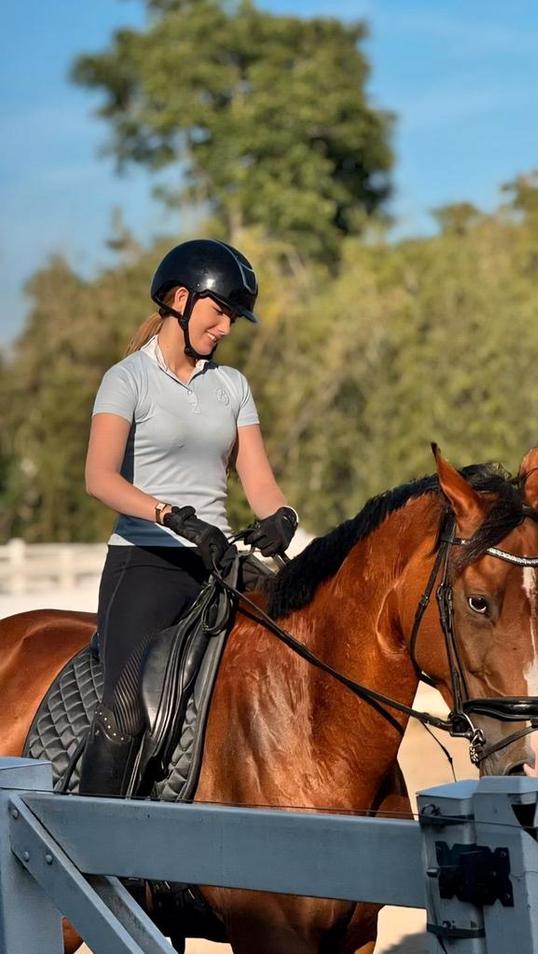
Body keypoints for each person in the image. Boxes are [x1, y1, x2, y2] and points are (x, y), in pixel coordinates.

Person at [78, 238, 298, 797]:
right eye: (221, 311)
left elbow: (259, 482)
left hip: (220, 560)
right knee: (125, 713)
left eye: (233, 318)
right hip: (146, 561)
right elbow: (100, 478)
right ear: (180, 298)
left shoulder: (232, 387)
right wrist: (173, 516)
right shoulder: (126, 379)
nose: (226, 328)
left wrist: (281, 517)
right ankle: (93, 840)